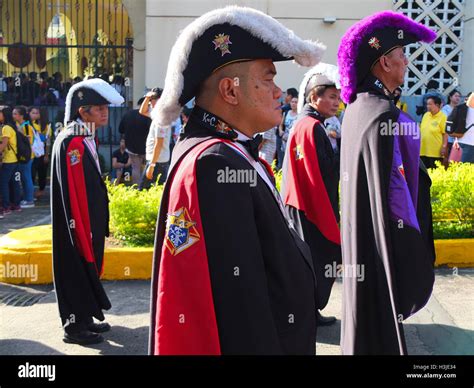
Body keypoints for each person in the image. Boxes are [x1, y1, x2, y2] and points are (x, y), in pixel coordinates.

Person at [149, 5, 326, 355]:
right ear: (230, 91)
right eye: (268, 79)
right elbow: (240, 306)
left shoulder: (227, 152)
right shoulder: (214, 163)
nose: (280, 92)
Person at [337, 11, 436, 355]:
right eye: (401, 55)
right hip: (380, 249)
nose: (406, 62)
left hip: (359, 245)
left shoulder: (356, 108)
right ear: (384, 63)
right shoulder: (385, 116)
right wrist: (412, 252)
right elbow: (399, 199)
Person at [50, 78, 124, 345]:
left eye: (106, 107)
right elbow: (74, 192)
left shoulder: (83, 137)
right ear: (83, 111)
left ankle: (86, 316)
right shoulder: (73, 142)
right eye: (99, 107)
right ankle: (74, 326)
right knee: (75, 268)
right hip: (77, 224)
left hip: (87, 222)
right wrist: (81, 226)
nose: (105, 112)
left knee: (86, 269)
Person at [281, 63, 342, 327]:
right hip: (309, 207)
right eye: (331, 97)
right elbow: (328, 171)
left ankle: (307, 313)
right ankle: (307, 314)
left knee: (308, 262)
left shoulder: (303, 123)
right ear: (314, 97)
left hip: (299, 204)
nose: (337, 102)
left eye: (338, 97)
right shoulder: (313, 127)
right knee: (317, 261)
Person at [118, 97, 152, 185]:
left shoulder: (127, 114)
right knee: (148, 167)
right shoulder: (148, 116)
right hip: (146, 147)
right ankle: (147, 187)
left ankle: (136, 188)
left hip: (131, 147)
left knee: (135, 168)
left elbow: (120, 129)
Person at [0, 106, 22, 217]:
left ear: (4, 114)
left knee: (3, 183)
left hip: (8, 160)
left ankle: (6, 206)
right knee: (14, 183)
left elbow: (3, 145)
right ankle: (16, 204)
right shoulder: (13, 126)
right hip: (15, 159)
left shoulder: (6, 128)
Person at [13, 106, 35, 208]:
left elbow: (28, 141)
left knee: (26, 177)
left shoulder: (26, 127)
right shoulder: (19, 125)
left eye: (15, 114)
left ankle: (29, 200)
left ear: (21, 115)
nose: (13, 116)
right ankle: (27, 197)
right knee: (24, 177)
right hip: (24, 155)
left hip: (27, 155)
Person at [29, 106, 52, 199]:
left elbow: (48, 142)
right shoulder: (29, 124)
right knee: (32, 174)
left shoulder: (46, 126)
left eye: (36, 113)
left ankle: (41, 190)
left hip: (42, 154)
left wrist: (47, 155)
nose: (34, 115)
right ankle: (31, 192)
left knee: (42, 173)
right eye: (33, 113)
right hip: (32, 154)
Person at [420, 96, 448, 169]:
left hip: (435, 152)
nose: (427, 106)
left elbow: (445, 133)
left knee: (434, 174)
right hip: (423, 150)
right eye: (427, 104)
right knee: (424, 174)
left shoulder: (442, 117)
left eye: (430, 104)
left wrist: (444, 147)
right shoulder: (426, 115)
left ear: (437, 105)